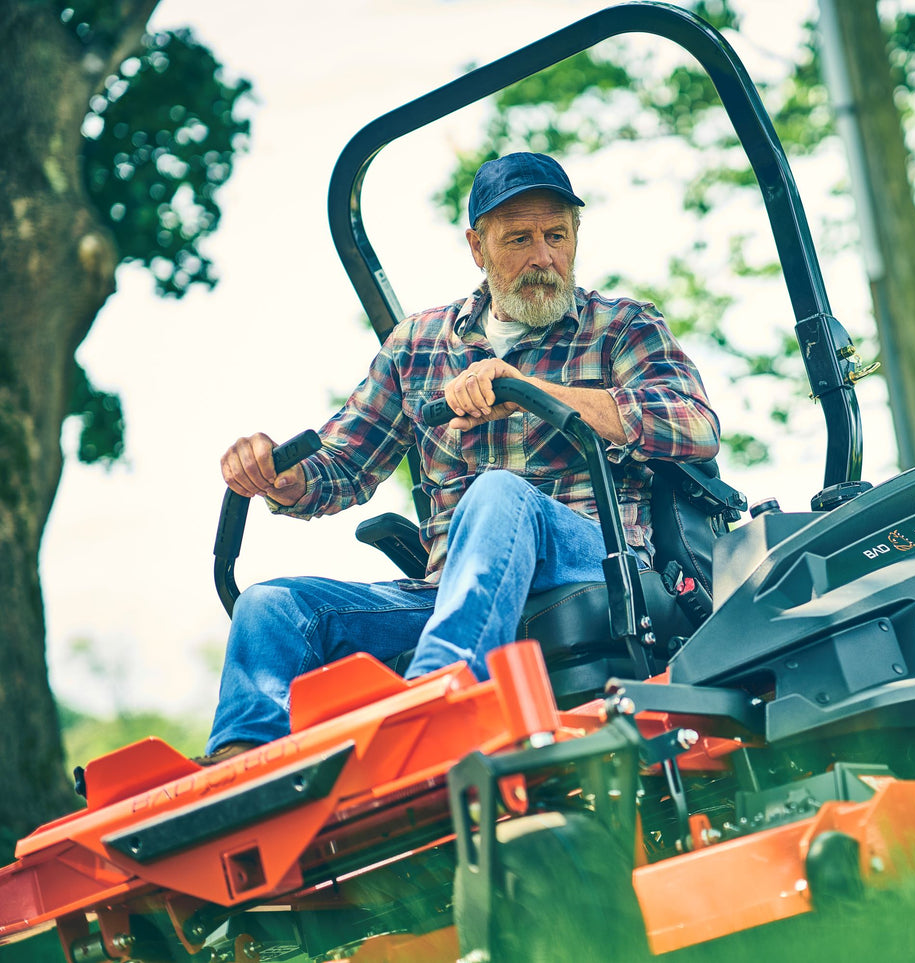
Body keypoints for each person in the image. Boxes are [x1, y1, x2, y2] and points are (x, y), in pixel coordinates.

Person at [201, 152, 720, 765]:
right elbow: (340, 467)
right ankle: (242, 767)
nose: (543, 257)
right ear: (477, 247)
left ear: (576, 236)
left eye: (556, 236)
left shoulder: (623, 328)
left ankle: (441, 698)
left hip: (594, 564)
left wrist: (535, 394)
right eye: (519, 239)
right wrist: (280, 477)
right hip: (450, 592)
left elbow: (695, 426)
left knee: (499, 492)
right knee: (273, 605)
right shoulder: (418, 347)